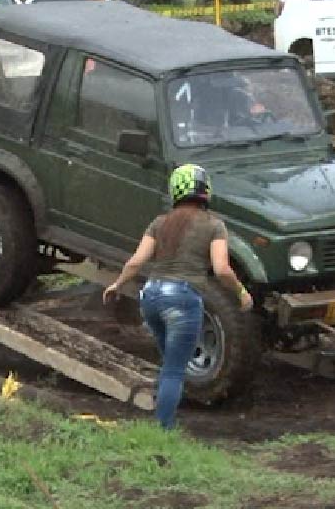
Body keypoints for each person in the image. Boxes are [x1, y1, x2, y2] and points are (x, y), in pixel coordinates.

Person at [102, 163, 253, 429]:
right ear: (206, 191)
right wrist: (241, 292)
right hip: (182, 299)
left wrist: (117, 284)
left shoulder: (160, 223)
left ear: (175, 192)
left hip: (150, 296)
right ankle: (164, 429)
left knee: (169, 362)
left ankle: (162, 416)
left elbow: (137, 262)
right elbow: (222, 269)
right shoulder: (214, 226)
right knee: (175, 369)